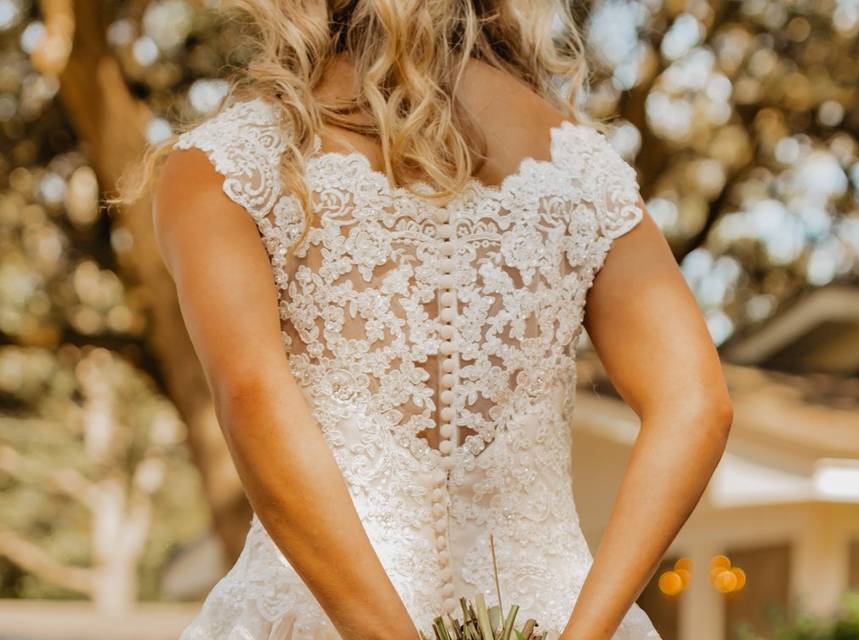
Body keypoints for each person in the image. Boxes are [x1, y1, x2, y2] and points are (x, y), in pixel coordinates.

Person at [146, 1, 732, 638]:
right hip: (552, 620)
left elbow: (253, 394)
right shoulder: (583, 168)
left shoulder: (224, 164)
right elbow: (696, 403)